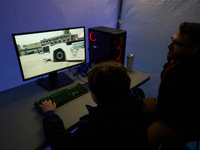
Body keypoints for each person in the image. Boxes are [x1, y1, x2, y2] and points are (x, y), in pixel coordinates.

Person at [40, 60, 149, 149]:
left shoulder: (93, 127)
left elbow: (61, 144)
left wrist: (49, 114)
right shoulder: (138, 103)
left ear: (95, 97)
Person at [143, 22, 200, 149]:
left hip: (176, 124)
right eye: (172, 40)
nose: (169, 46)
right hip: (163, 107)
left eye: (176, 43)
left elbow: (184, 116)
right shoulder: (178, 59)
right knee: (132, 104)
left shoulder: (192, 75)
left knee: (136, 141)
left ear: (193, 50)